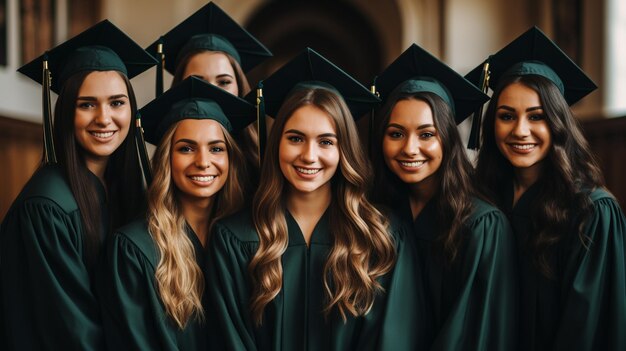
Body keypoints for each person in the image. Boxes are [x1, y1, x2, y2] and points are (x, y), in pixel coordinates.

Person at [206, 48, 426, 350]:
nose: (309, 156)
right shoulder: (234, 239)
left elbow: (396, 339)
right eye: (295, 138)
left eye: (326, 141)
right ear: (276, 144)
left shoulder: (383, 236)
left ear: (343, 150)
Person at [0, 20, 156, 350]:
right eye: (87, 104)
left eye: (117, 102)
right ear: (66, 112)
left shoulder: (121, 186)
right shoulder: (47, 208)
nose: (104, 118)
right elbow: (72, 331)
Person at [469, 26, 626, 351]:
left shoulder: (591, 211)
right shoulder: (484, 201)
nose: (520, 130)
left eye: (537, 116)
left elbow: (586, 330)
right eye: (506, 116)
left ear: (558, 123)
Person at [371, 44, 519, 350]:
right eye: (396, 133)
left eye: (427, 134)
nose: (410, 148)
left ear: (448, 140)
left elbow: (478, 333)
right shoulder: (376, 214)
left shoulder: (482, 226)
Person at [96, 76, 254, 350]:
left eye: (216, 148)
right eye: (186, 148)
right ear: (167, 158)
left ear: (231, 158)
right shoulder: (135, 250)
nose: (203, 162)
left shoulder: (247, 240)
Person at [147, 1, 273, 177]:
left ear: (240, 88)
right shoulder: (162, 171)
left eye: (223, 82)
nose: (212, 92)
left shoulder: (263, 169)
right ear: (178, 90)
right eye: (199, 82)